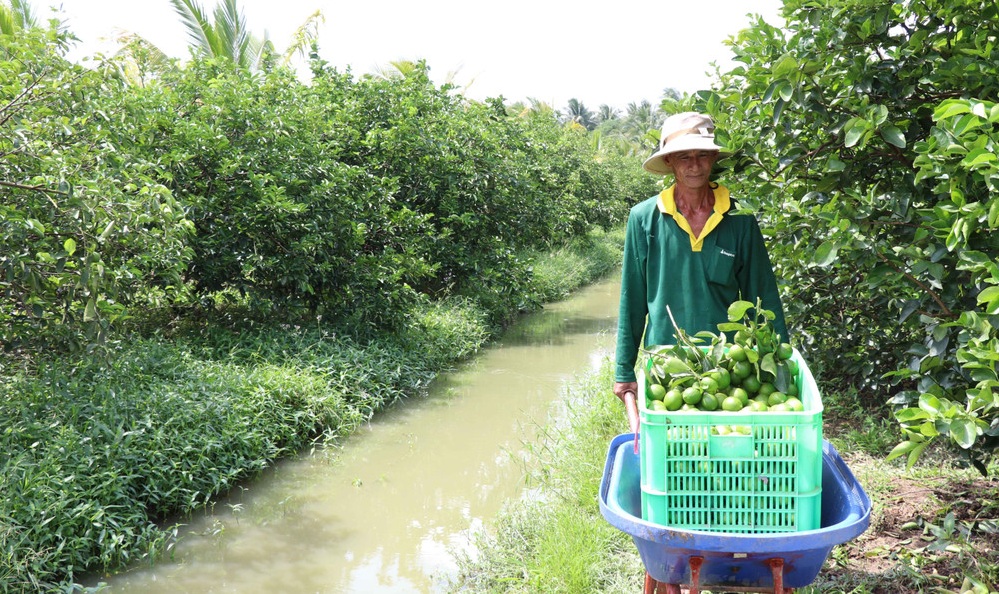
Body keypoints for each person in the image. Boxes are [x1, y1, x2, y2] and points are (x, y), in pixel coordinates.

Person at [613, 112, 788, 432]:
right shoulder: (644, 219)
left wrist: (781, 365)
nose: (694, 165)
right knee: (675, 450)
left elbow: (763, 295)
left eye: (702, 155)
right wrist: (624, 371)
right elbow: (632, 301)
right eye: (684, 156)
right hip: (665, 366)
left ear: (714, 157)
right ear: (669, 162)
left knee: (729, 445)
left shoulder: (739, 219)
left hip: (729, 369)